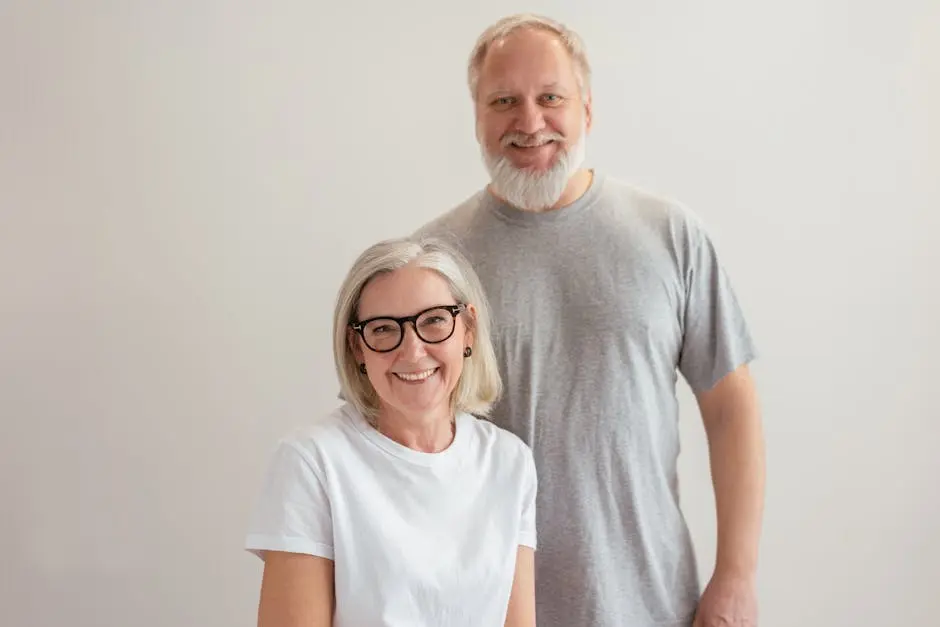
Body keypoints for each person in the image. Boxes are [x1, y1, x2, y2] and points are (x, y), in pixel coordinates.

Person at [415, 13, 766, 627]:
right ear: (476, 115)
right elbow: (387, 446)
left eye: (551, 97)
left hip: (651, 603)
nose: (529, 122)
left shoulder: (670, 236)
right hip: (480, 610)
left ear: (587, 110)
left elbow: (731, 408)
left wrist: (735, 577)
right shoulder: (430, 263)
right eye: (504, 101)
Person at [243, 237, 538, 626]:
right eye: (383, 329)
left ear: (468, 329)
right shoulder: (313, 462)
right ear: (357, 348)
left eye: (434, 320)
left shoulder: (509, 462)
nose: (413, 351)